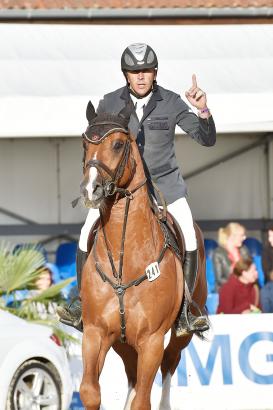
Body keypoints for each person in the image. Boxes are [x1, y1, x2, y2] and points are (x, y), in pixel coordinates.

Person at [57, 43, 216, 336]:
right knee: (84, 233)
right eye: (134, 72)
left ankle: (186, 312)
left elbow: (207, 140)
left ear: (154, 72)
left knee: (191, 239)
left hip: (166, 187)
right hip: (119, 191)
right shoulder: (108, 103)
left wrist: (202, 109)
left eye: (145, 71)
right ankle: (80, 304)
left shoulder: (171, 102)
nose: (140, 77)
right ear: (126, 75)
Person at [213, 222, 250, 291]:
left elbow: (250, 270)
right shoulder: (218, 253)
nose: (244, 238)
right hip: (226, 289)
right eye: (241, 235)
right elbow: (219, 279)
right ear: (232, 236)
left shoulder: (244, 250)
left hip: (244, 287)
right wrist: (238, 283)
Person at [260, 227, 273, 313]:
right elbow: (269, 274)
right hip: (270, 285)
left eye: (272, 236)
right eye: (269, 236)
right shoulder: (266, 251)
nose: (269, 239)